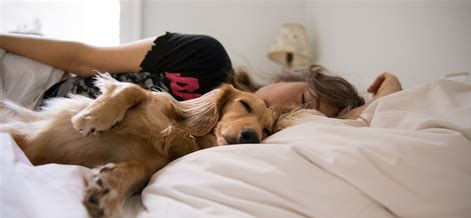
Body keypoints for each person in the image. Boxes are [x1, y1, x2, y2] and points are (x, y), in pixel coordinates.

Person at [0, 32, 402, 119]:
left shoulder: (237, 133)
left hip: (34, 121)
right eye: (300, 98)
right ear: (290, 76)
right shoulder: (204, 57)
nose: (284, 108)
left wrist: (389, 96)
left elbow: (358, 129)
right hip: (38, 81)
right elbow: (85, 57)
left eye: (306, 114)